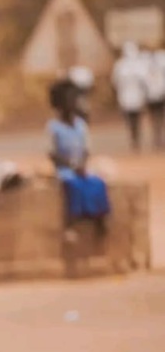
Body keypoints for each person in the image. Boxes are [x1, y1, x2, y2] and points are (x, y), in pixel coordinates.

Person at [48, 79, 110, 239]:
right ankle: (71, 224)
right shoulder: (53, 127)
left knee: (97, 183)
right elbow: (52, 154)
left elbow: (86, 150)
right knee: (73, 185)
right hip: (64, 169)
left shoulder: (81, 125)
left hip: (81, 167)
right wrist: (71, 165)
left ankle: (99, 219)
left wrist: (81, 164)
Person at [111, 42, 149, 152]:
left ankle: (135, 138)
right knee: (132, 120)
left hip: (132, 97)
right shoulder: (122, 65)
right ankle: (134, 138)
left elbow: (115, 82)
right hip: (129, 97)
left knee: (134, 119)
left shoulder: (123, 65)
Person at [144, 48, 165, 150]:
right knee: (154, 118)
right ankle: (157, 138)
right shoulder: (145, 68)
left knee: (159, 118)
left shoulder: (160, 67)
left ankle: (159, 137)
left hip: (159, 96)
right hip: (152, 98)